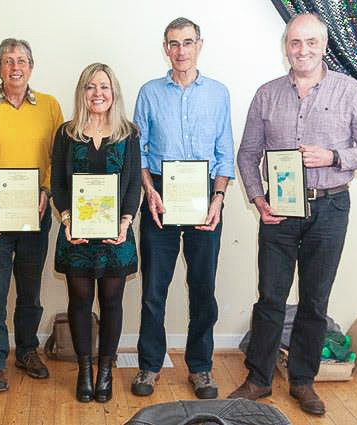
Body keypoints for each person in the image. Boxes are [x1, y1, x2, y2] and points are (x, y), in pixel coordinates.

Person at [229, 13, 357, 416]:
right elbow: (247, 153)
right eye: (295, 43)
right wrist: (257, 197)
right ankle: (258, 379)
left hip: (330, 207)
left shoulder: (350, 91)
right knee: (271, 298)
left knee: (315, 300)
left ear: (324, 46)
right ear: (286, 47)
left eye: (311, 42)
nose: (303, 50)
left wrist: (333, 156)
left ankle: (302, 381)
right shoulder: (267, 94)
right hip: (279, 211)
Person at [131, 17, 235, 399]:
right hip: (159, 194)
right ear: (165, 47)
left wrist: (219, 199)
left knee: (202, 288)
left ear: (199, 45)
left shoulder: (219, 93)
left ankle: (201, 368)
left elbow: (225, 152)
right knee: (154, 288)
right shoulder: (149, 92)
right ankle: (149, 365)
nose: (181, 51)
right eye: (173, 43)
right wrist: (148, 191)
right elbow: (138, 151)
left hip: (206, 197)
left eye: (187, 42)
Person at [0, 38, 63, 393]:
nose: (15, 67)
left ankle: (26, 351)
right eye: (8, 61)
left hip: (35, 211)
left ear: (31, 67)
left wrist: (47, 190)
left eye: (22, 60)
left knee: (30, 291)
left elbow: (58, 158)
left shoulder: (51, 106)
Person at [51, 63, 141, 403]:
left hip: (116, 236)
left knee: (112, 303)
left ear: (113, 92)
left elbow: (133, 185)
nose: (97, 93)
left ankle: (106, 372)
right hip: (77, 235)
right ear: (82, 92)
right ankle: (84, 372)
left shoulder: (128, 133)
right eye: (90, 87)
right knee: (79, 302)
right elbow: (59, 183)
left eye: (103, 87)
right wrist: (67, 219)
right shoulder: (66, 133)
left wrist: (125, 222)